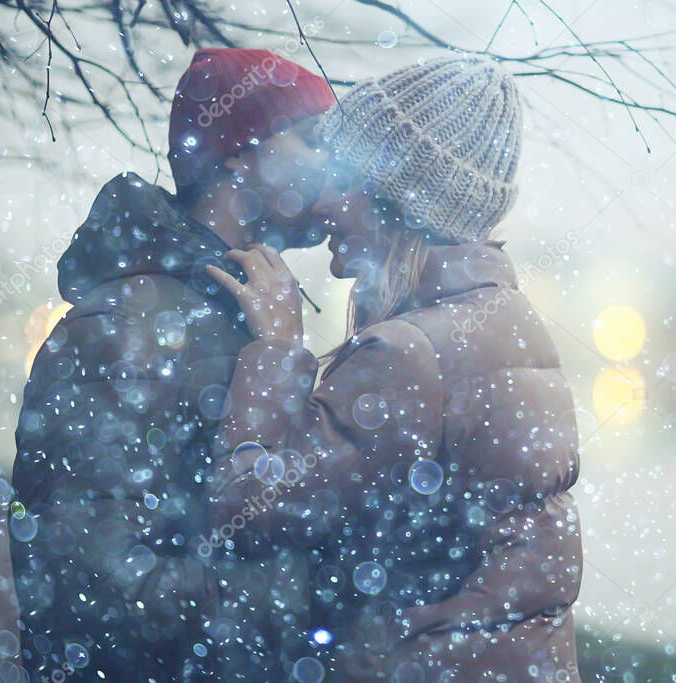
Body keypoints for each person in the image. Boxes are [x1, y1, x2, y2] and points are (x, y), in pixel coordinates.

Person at [207, 54, 583, 681]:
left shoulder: (411, 356)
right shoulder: (507, 321)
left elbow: (245, 509)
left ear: (397, 199)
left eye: (344, 176)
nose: (323, 199)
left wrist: (275, 351)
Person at [9, 48, 335, 681]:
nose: (331, 169)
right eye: (311, 139)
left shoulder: (242, 312)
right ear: (240, 151)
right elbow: (95, 587)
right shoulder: (126, 327)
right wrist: (309, 595)